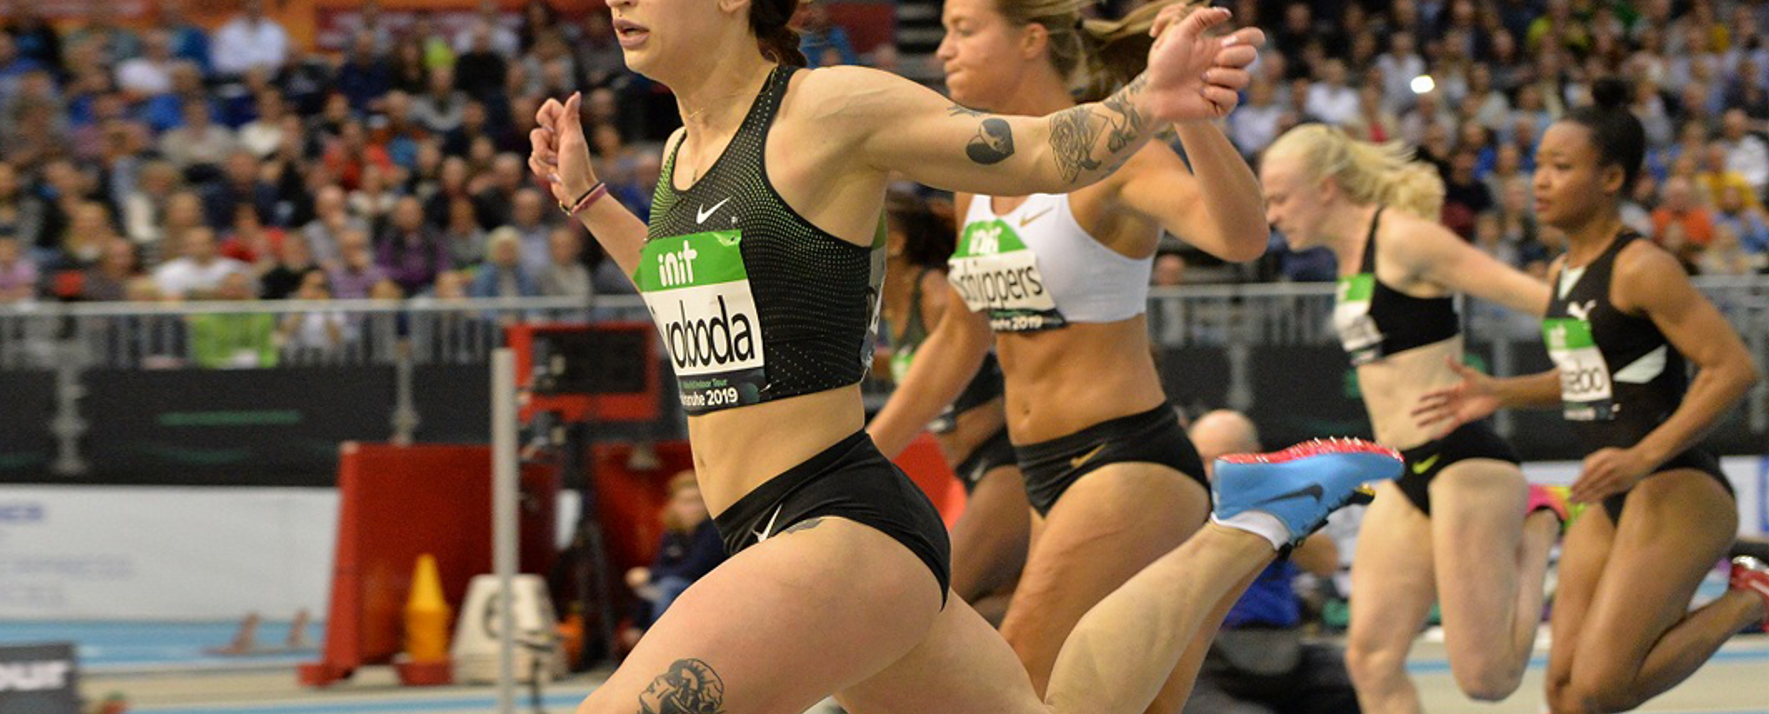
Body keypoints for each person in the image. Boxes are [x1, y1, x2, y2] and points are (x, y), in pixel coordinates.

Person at [533, 3, 1395, 713]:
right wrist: (589, 200)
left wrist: (1152, 99)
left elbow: (1043, 152)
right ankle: (1247, 529)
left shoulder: (827, 108)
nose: (618, 1)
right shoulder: (682, 154)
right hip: (794, 517)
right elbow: (686, 300)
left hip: (839, 522)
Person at [866, 0, 1270, 703]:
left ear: (1030, 40)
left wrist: (1190, 118)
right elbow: (960, 338)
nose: (943, 51)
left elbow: (1240, 239)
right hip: (1044, 474)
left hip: (1123, 461)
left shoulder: (1118, 158)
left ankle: (1254, 529)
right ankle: (1249, 529)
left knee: (1017, 680)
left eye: (965, 30)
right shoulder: (974, 177)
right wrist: (864, 457)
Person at [1416, 79, 1769, 714]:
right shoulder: (1561, 272)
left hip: (1675, 484)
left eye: (1560, 166)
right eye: (1538, 165)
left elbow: (1733, 370)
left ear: (1610, 179)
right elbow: (1593, 377)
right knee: (1564, 694)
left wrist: (1642, 457)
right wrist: (1500, 392)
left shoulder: (1642, 267)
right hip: (1610, 491)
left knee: (1604, 686)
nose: (1540, 181)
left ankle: (1753, 595)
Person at [1256, 124, 1562, 712]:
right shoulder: (1350, 258)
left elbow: (1539, 301)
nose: (1272, 216)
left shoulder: (1404, 239)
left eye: (1280, 199)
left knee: (1487, 679)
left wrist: (1523, 384)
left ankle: (1541, 523)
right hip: (1402, 468)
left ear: (1326, 188)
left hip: (1462, 461)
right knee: (1369, 660)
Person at [874, 190, 1024, 625]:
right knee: (979, 611)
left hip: (1004, 464)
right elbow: (911, 365)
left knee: (935, 606)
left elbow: (959, 352)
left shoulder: (936, 293)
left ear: (896, 243)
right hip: (972, 470)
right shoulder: (893, 305)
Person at [1182, 410, 1359, 714]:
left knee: (1355, 678)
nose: (1213, 473)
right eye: (1204, 460)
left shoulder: (1282, 504)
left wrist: (1274, 519)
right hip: (1206, 662)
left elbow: (1326, 562)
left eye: (1225, 460)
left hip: (1284, 653)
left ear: (1256, 457)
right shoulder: (1180, 508)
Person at [625, 470, 726, 638]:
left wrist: (649, 574)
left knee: (668, 586)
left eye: (698, 501)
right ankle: (642, 631)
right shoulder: (672, 533)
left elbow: (693, 570)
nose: (693, 508)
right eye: (687, 502)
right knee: (649, 587)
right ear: (674, 504)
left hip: (710, 591)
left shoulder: (714, 531)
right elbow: (659, 569)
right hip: (677, 591)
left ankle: (661, 640)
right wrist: (637, 625)